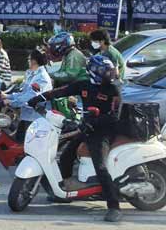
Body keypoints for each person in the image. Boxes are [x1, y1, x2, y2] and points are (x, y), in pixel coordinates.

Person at [29, 55, 123, 222]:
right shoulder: (84, 85)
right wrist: (39, 98)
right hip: (87, 128)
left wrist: (94, 122)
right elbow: (62, 91)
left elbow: (115, 117)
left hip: (104, 131)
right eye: (103, 71)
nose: (108, 74)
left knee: (100, 166)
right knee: (66, 156)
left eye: (108, 70)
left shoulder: (113, 89)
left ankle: (114, 206)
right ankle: (63, 193)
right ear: (93, 72)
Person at [6, 48, 52, 141]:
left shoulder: (41, 77)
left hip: (35, 119)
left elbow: (29, 98)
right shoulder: (32, 74)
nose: (28, 61)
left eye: (29, 59)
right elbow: (23, 93)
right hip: (27, 116)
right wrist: (8, 96)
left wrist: (11, 102)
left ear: (34, 61)